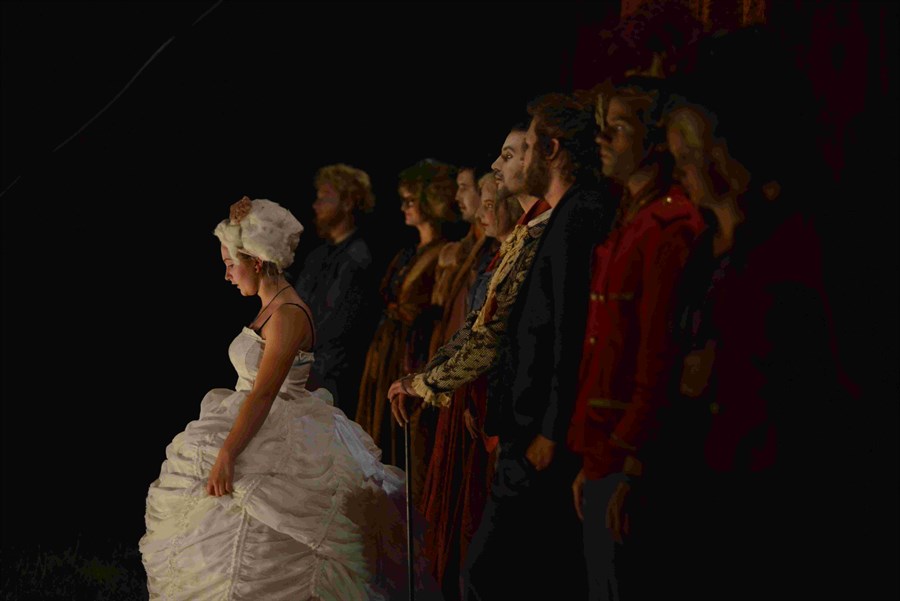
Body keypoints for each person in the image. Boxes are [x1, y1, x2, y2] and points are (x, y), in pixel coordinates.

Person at [140, 196, 415, 600]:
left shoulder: (288, 314)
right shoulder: (271, 306)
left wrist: (228, 453)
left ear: (256, 261)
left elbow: (266, 392)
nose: (227, 275)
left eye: (230, 264)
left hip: (277, 423)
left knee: (266, 533)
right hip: (257, 415)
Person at [462, 94, 617, 601]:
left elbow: (570, 328)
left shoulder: (579, 213)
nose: (516, 159)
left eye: (526, 148)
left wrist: (551, 428)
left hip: (538, 430)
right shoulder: (566, 213)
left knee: (488, 574)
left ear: (551, 150)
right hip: (527, 423)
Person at [566, 78, 706, 601]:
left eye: (618, 129)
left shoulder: (668, 225)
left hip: (629, 450)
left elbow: (658, 354)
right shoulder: (629, 218)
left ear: (654, 141)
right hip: (603, 447)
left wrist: (629, 460)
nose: (601, 139)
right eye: (602, 127)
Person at [355, 159, 457, 506]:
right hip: (386, 350)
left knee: (408, 443)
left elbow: (440, 312)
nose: (404, 207)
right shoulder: (407, 253)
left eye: (411, 200)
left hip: (413, 352)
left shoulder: (445, 253)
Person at [292, 163, 380, 419]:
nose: (316, 205)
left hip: (331, 379)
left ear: (348, 203)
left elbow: (333, 326)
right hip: (306, 371)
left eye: (325, 198)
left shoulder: (358, 257)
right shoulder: (317, 255)